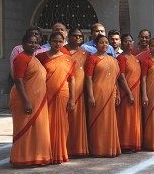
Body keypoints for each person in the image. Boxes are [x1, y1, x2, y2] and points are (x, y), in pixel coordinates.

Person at [9, 32, 52, 167]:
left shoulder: (34, 59)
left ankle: (36, 157)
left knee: (37, 130)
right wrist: (26, 101)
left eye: (35, 43)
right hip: (25, 100)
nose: (33, 45)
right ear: (23, 44)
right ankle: (21, 158)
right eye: (30, 42)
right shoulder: (21, 58)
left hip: (38, 101)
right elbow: (18, 80)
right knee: (25, 130)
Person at [36, 31, 75, 164]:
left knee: (62, 124)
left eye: (60, 41)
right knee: (45, 124)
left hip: (63, 93)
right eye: (54, 41)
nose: (57, 44)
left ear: (64, 42)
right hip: (45, 94)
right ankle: (46, 153)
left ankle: (60, 153)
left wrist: (72, 99)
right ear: (49, 41)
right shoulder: (41, 57)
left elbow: (72, 79)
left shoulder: (68, 58)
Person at [84, 35, 121, 157]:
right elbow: (88, 78)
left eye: (106, 43)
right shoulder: (92, 59)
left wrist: (118, 94)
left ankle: (110, 148)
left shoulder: (113, 60)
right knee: (98, 121)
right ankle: (98, 149)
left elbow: (116, 79)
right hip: (97, 94)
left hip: (111, 94)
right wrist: (90, 96)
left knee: (109, 121)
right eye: (101, 43)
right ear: (96, 44)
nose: (104, 45)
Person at [64, 28, 89, 158]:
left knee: (78, 121)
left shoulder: (85, 53)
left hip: (80, 92)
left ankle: (78, 148)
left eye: (80, 36)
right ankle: (64, 148)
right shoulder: (62, 51)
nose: (78, 38)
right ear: (69, 36)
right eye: (75, 36)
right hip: (64, 91)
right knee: (65, 121)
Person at [117, 33, 142, 153]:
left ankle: (133, 143)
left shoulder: (135, 57)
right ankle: (124, 144)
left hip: (137, 91)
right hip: (126, 92)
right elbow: (121, 77)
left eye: (130, 41)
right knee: (125, 118)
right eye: (126, 41)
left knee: (134, 119)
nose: (128, 43)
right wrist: (129, 93)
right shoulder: (121, 58)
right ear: (122, 43)